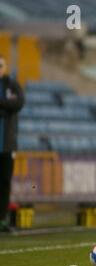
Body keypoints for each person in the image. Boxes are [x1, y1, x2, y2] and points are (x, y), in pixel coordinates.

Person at [0, 55, 24, 232]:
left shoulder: (12, 85)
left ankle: (2, 219)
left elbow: (18, 103)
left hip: (6, 145)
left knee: (4, 182)